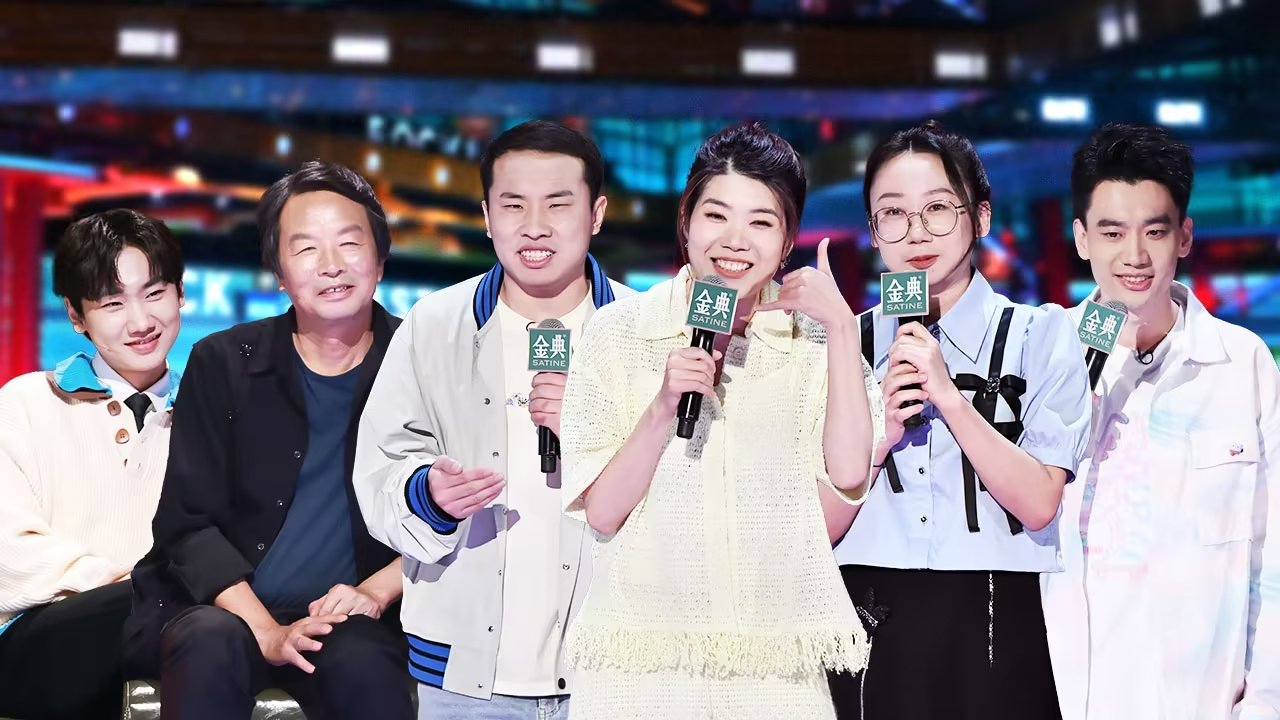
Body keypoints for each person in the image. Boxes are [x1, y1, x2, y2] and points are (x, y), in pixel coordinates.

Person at [556, 123, 883, 720]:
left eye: (761, 222)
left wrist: (840, 329)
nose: (735, 241)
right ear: (686, 221)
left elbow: (848, 474)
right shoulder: (621, 332)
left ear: (787, 241)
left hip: (774, 670)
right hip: (641, 668)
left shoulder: (814, 342)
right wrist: (663, 406)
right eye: (716, 215)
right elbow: (602, 513)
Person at [353, 120, 632, 720]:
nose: (535, 226)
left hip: (616, 670)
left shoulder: (644, 329)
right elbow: (380, 471)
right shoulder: (432, 325)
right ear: (486, 216)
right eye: (513, 205)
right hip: (464, 674)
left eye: (558, 204)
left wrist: (593, 429)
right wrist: (429, 494)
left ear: (597, 214)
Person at [123, 161, 413, 720]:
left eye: (349, 243)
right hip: (223, 610)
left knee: (364, 663)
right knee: (208, 642)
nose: (331, 264)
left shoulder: (424, 363)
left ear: (380, 259)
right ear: (279, 273)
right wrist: (267, 632)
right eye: (305, 248)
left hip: (353, 614)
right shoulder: (224, 361)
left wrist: (375, 592)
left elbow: (460, 515)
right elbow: (187, 524)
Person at [828, 121, 1092, 720]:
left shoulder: (1040, 335)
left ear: (981, 216)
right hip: (866, 620)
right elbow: (813, 523)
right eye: (892, 214)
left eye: (938, 209)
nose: (916, 232)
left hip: (995, 617)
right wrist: (877, 439)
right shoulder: (842, 344)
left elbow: (1039, 504)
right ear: (872, 230)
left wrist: (948, 395)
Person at [1040, 122, 1280, 719]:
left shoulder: (1242, 362)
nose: (1135, 256)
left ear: (1185, 237)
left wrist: (1263, 702)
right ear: (1081, 239)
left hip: (1206, 702)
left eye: (1155, 231)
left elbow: (1272, 550)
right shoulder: (1046, 351)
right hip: (1075, 698)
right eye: (1112, 233)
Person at [0, 209, 185, 720]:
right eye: (112, 303)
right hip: (44, 635)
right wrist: (126, 584)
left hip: (176, 629)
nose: (140, 322)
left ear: (180, 293)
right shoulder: (26, 403)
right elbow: (6, 550)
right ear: (76, 316)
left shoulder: (213, 411)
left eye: (155, 293)